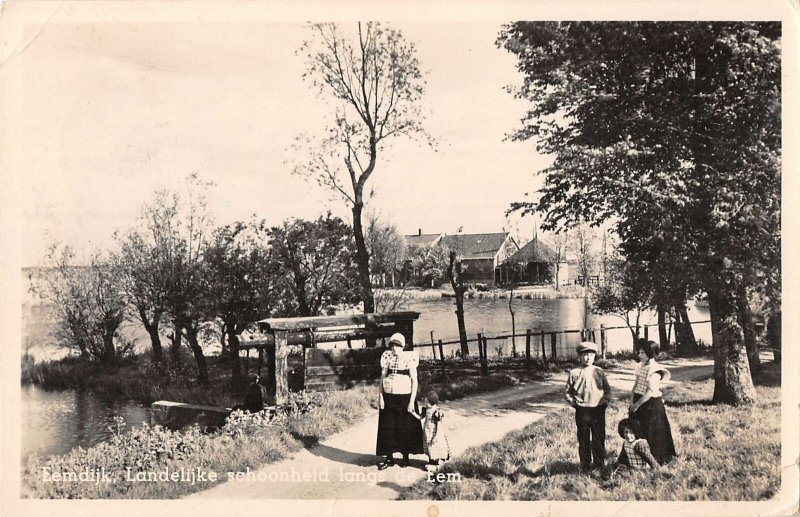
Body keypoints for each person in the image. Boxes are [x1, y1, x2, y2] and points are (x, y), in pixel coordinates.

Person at [376, 333, 424, 469]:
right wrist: (381, 396)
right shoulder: (387, 357)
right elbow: (382, 379)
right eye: (393, 345)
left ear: (403, 346)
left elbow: (414, 381)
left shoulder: (410, 358)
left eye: (398, 346)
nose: (395, 348)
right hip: (389, 397)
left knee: (405, 427)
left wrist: (411, 401)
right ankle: (389, 457)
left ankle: (405, 457)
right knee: (388, 427)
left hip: (405, 397)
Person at [628, 339, 677, 465]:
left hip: (650, 404)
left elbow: (650, 391)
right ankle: (638, 459)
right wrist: (631, 402)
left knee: (653, 432)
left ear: (650, 353)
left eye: (643, 353)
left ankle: (656, 460)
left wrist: (637, 404)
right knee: (637, 430)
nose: (639, 355)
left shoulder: (655, 370)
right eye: (639, 352)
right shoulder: (641, 367)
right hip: (638, 401)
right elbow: (635, 385)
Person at [565, 341, 611, 472]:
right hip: (583, 410)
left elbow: (607, 389)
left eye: (591, 355)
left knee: (598, 437)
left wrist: (606, 401)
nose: (588, 358)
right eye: (585, 355)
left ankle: (599, 464)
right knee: (583, 438)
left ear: (595, 356)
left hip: (598, 408)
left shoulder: (599, 371)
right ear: (579, 356)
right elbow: (568, 392)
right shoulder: (574, 372)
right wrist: (574, 403)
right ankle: (585, 465)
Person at [412, 390, 451, 471]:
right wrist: (412, 412)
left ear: (431, 401)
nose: (424, 402)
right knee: (428, 446)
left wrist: (436, 436)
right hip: (427, 431)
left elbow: (439, 425)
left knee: (434, 447)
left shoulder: (436, 411)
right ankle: (431, 462)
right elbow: (420, 417)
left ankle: (435, 464)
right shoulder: (426, 409)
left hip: (434, 432)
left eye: (426, 401)